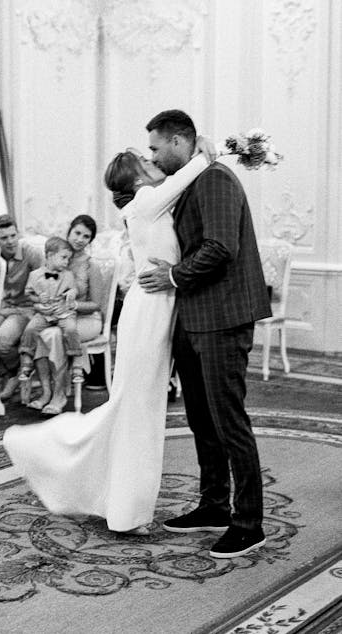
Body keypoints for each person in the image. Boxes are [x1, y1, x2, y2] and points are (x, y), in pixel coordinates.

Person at [4, 138, 214, 533]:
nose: (153, 161)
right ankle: (114, 502)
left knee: (141, 410)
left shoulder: (149, 202)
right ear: (135, 179)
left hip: (158, 307)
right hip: (148, 312)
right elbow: (192, 171)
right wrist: (207, 150)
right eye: (144, 159)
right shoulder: (145, 200)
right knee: (137, 411)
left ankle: (123, 506)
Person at [139, 109, 272, 558]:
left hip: (222, 316)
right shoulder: (192, 179)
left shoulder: (215, 180)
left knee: (228, 421)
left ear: (179, 141)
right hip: (193, 317)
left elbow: (220, 246)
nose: (153, 158)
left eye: (157, 148)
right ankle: (214, 505)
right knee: (201, 419)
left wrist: (173, 277)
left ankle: (249, 522)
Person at [30, 214, 104, 414]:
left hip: (87, 319)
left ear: (90, 241)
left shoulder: (91, 266)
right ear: (69, 232)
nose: (80, 239)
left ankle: (59, 394)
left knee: (54, 335)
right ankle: (46, 391)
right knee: (38, 331)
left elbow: (96, 305)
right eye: (77, 233)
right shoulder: (56, 261)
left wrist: (69, 306)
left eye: (86, 236)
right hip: (58, 317)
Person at [18, 236, 83, 409]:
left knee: (70, 328)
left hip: (63, 312)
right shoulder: (34, 275)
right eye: (63, 257)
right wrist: (38, 299)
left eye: (68, 258)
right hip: (44, 313)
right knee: (31, 328)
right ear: (49, 255)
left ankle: (77, 359)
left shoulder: (68, 275)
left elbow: (74, 289)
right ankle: (27, 360)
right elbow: (28, 294)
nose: (66, 262)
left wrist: (71, 294)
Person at [0, 215, 42, 398]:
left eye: (13, 235)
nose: (11, 241)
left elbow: (44, 286)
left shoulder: (32, 254)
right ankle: (10, 371)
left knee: (1, 341)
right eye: (4, 238)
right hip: (2, 309)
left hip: (25, 310)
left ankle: (13, 373)